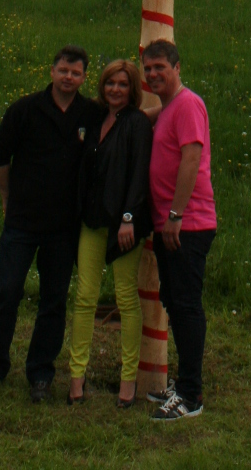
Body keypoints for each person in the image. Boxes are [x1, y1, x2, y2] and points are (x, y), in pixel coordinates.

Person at [0, 43, 102, 402]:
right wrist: (6, 195)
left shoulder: (90, 114)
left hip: (63, 226)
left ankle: (41, 374)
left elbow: (124, 119)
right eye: (63, 70)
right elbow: (0, 153)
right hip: (22, 222)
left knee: (53, 301)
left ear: (84, 77)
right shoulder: (25, 109)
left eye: (75, 72)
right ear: (51, 71)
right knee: (8, 291)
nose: (68, 77)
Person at [66, 57, 153, 408]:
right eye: (110, 83)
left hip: (124, 225)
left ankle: (128, 380)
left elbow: (140, 173)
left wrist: (129, 218)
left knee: (126, 298)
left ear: (132, 89)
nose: (115, 89)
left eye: (123, 84)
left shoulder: (137, 123)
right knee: (85, 296)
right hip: (92, 220)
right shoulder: (93, 118)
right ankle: (76, 377)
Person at [142, 39, 217, 422]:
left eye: (160, 67)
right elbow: (150, 115)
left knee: (186, 306)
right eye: (148, 68)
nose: (153, 74)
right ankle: (184, 383)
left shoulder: (188, 104)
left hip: (188, 223)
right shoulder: (170, 106)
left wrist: (176, 214)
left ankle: (191, 395)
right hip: (169, 224)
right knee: (174, 301)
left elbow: (191, 158)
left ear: (177, 67)